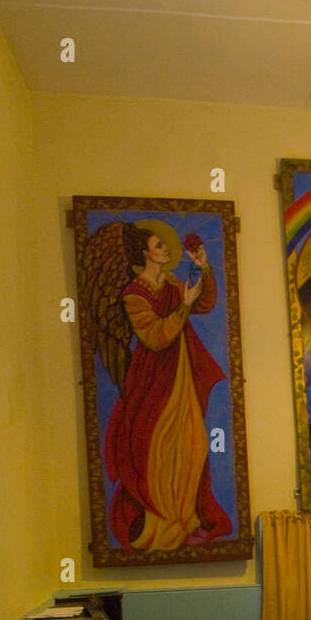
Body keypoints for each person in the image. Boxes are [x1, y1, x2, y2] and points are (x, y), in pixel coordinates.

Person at [104, 225, 231, 551]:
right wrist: (184, 305)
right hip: (154, 383)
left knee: (194, 445)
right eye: (159, 245)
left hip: (182, 375)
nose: (165, 249)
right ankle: (160, 527)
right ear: (145, 253)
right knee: (158, 452)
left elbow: (204, 305)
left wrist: (203, 266)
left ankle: (186, 519)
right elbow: (156, 337)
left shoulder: (173, 281)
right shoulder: (135, 294)